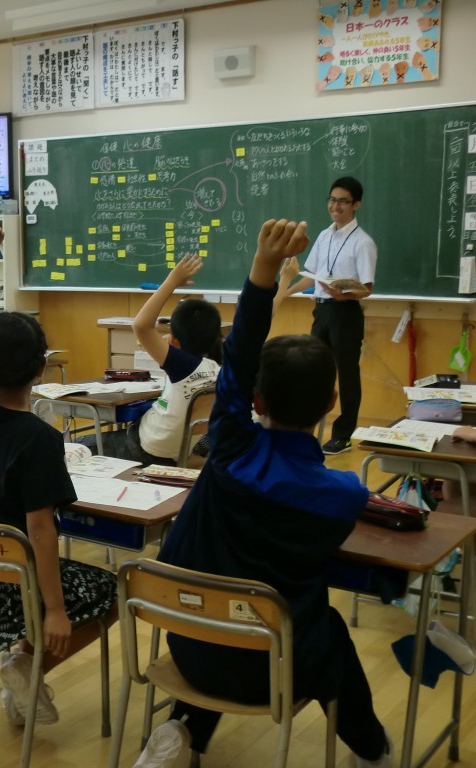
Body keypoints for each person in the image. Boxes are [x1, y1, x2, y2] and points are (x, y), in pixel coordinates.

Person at [133, 218, 393, 768]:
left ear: (255, 401)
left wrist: (264, 268)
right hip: (273, 669)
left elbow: (240, 353)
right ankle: (372, 753)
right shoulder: (342, 493)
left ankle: (180, 730)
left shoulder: (227, 445)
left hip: (188, 640)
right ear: (331, 405)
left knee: (232, 608)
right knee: (329, 632)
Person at [0, 210, 117, 727]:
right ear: (42, 369)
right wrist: (54, 609)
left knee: (48, 581)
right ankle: (26, 665)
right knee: (113, 592)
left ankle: (21, 680)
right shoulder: (38, 438)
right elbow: (41, 532)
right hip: (14, 579)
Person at [81, 255, 221, 466]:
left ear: (175, 340)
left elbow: (141, 325)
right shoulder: (216, 369)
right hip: (179, 452)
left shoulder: (182, 364)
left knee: (73, 444)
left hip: (146, 448)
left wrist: (171, 281)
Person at [280, 176, 377, 455]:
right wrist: (283, 292)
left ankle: (343, 435)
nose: (335, 206)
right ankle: (305, 428)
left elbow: (366, 289)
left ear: (356, 205)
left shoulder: (363, 242)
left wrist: (343, 294)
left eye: (343, 201)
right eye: (332, 200)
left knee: (346, 374)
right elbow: (311, 277)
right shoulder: (324, 236)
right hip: (321, 310)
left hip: (345, 312)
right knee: (313, 368)